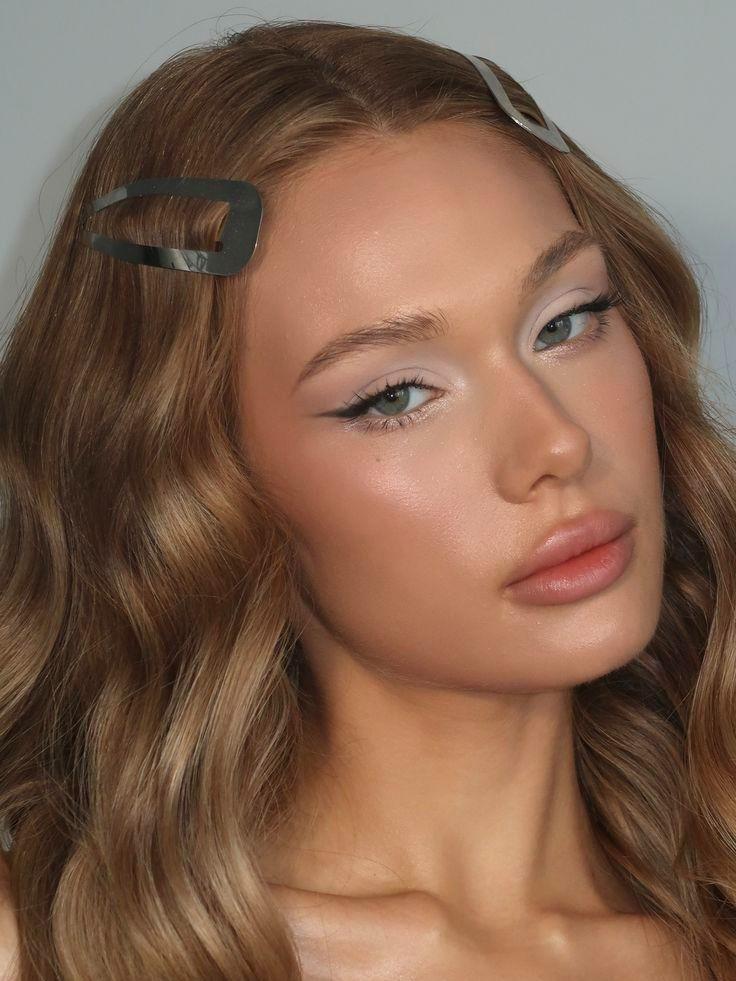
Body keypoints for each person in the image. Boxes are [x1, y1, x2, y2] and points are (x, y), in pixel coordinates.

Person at [0, 16, 733, 981]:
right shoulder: (45, 950)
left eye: (567, 322)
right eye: (395, 395)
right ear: (202, 489)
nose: (558, 443)